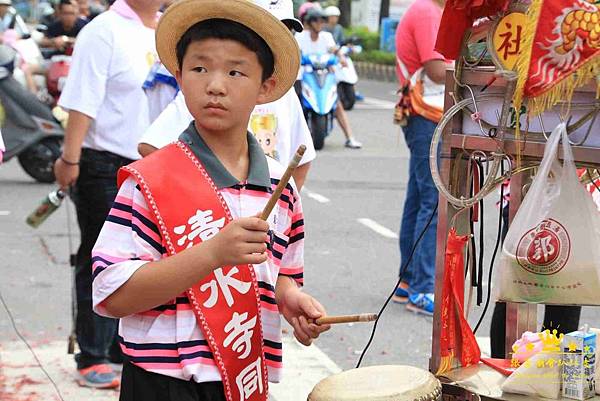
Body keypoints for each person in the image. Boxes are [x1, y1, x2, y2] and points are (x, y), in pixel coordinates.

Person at [91, 0, 331, 399]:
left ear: (266, 87)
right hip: (161, 383)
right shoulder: (148, 181)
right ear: (179, 76)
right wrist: (212, 254)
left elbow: (282, 273)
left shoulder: (280, 186)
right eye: (200, 68)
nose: (215, 85)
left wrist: (292, 303)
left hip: (241, 376)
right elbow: (111, 293)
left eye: (236, 71)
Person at [53, 0, 163, 389]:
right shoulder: (103, 30)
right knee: (101, 260)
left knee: (146, 261)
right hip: (105, 163)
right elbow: (82, 102)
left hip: (156, 168)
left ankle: (122, 348)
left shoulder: (169, 29)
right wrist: (70, 158)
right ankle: (93, 354)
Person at [137, 0, 315, 189]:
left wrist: (277, 204)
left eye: (285, 30)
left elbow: (302, 158)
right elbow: (151, 145)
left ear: (266, 87)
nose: (216, 87)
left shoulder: (287, 97)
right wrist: (200, 198)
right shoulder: (202, 97)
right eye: (264, 29)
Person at [391, 0, 450, 316]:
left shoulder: (429, 10)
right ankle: (422, 287)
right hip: (428, 117)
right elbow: (438, 71)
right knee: (432, 201)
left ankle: (409, 280)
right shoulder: (428, 11)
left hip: (423, 117)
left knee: (418, 199)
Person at [295, 7, 362, 149]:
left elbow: (335, 50)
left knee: (337, 104)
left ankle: (350, 138)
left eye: (321, 21)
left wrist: (341, 58)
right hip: (304, 76)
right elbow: (295, 53)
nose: (320, 24)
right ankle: (294, 139)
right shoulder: (300, 37)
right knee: (296, 103)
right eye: (316, 21)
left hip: (324, 76)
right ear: (310, 22)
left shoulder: (326, 37)